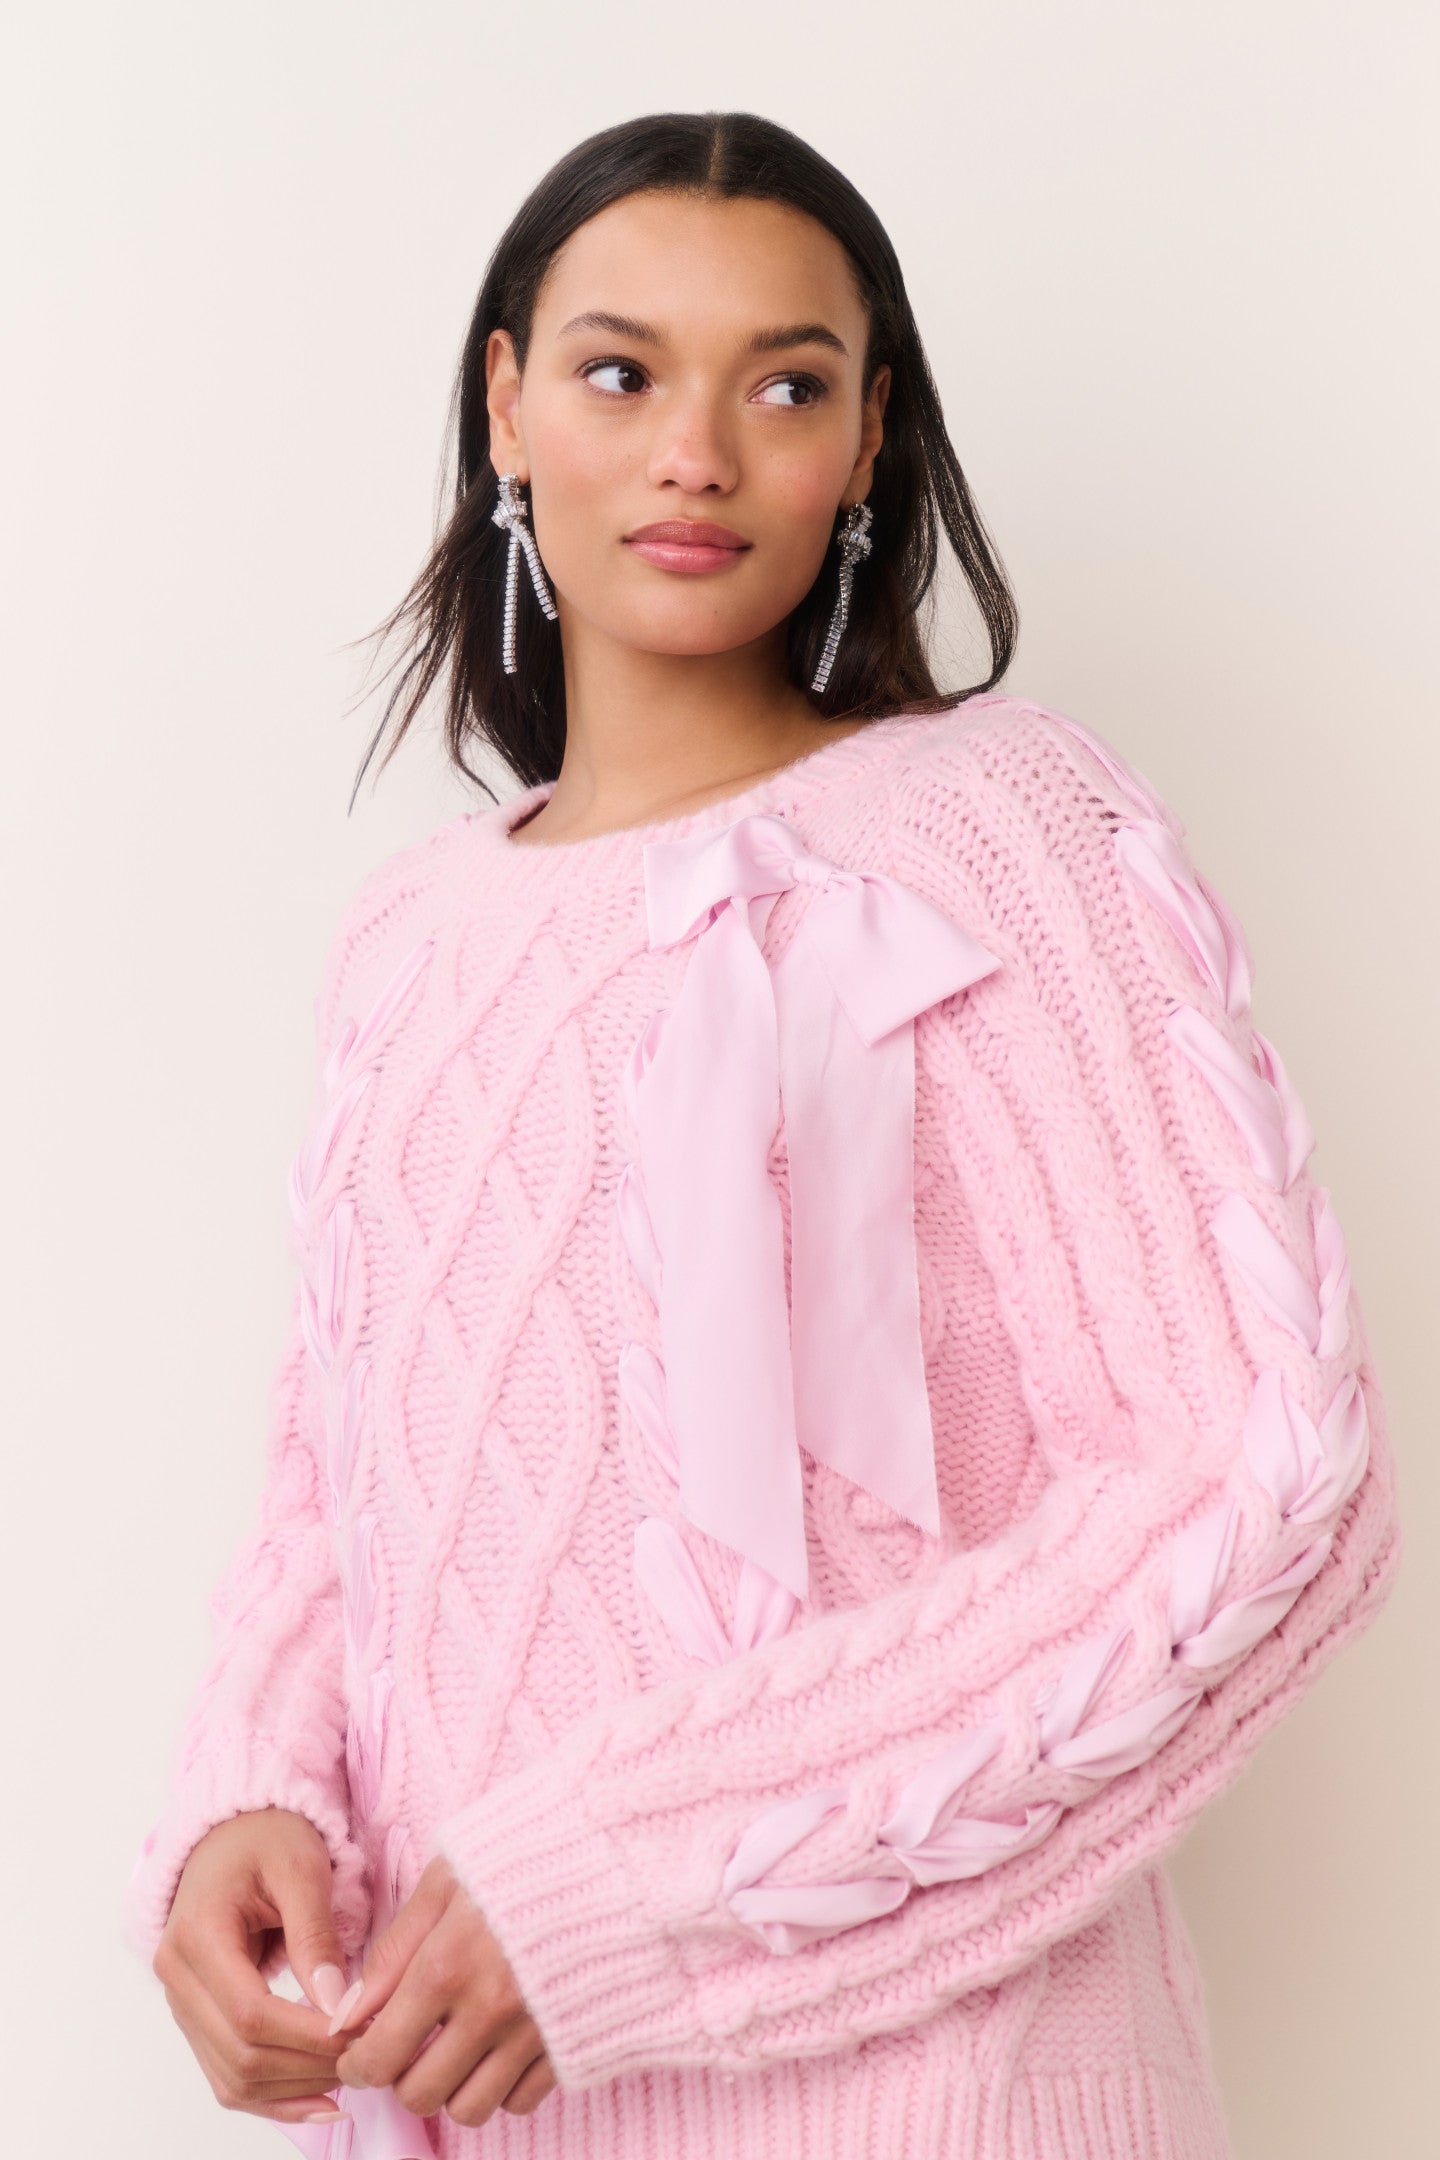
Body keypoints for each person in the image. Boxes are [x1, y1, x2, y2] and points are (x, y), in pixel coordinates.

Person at [122, 109, 1402, 2160]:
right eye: (621, 372)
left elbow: (1256, 1481)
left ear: (871, 434)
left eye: (785, 386)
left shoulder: (996, 831)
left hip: (948, 2097)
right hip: (475, 2097)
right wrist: (252, 1796)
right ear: (506, 403)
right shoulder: (410, 939)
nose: (696, 453)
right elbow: (344, 1502)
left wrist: (643, 1882)